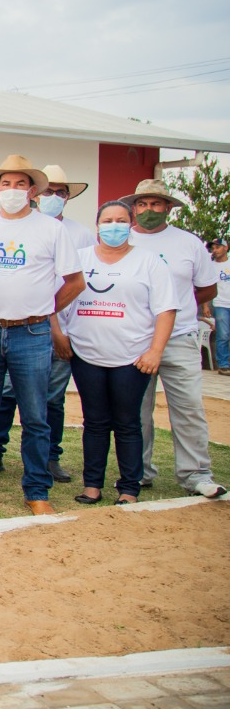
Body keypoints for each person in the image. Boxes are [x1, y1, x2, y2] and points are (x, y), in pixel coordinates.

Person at [0, 155, 84, 516]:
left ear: (32, 190)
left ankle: (37, 490)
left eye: (20, 184)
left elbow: (75, 281)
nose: (12, 190)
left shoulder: (52, 230)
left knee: (35, 415)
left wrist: (46, 308)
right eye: (5, 184)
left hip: (32, 332)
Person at [63, 201, 178, 506]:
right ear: (97, 225)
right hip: (86, 354)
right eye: (108, 220)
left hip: (132, 357)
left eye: (121, 220)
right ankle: (92, 486)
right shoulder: (79, 258)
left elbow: (166, 309)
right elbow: (56, 300)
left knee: (128, 422)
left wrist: (156, 351)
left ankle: (129, 488)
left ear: (130, 225)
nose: (114, 226)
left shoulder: (149, 262)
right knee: (95, 421)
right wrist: (59, 335)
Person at [0, 164, 95, 482]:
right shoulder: (11, 228)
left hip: (60, 328)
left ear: (67, 197)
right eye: (48, 191)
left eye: (59, 192)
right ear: (38, 194)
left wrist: (56, 324)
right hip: (22, 327)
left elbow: (76, 283)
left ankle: (50, 458)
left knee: (51, 398)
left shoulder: (79, 235)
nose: (53, 196)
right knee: (6, 393)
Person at [123, 179, 226, 498]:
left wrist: (176, 307)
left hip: (179, 337)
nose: (148, 210)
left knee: (189, 407)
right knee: (136, 411)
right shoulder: (121, 240)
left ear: (168, 207)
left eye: (156, 204)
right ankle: (138, 471)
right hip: (135, 340)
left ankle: (196, 474)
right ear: (134, 208)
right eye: (142, 204)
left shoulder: (189, 243)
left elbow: (207, 288)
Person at [205, 237, 230, 375]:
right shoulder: (211, 266)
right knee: (223, 335)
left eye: (218, 247)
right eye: (213, 248)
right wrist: (205, 306)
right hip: (220, 303)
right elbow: (206, 286)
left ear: (226, 248)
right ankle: (223, 364)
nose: (215, 250)